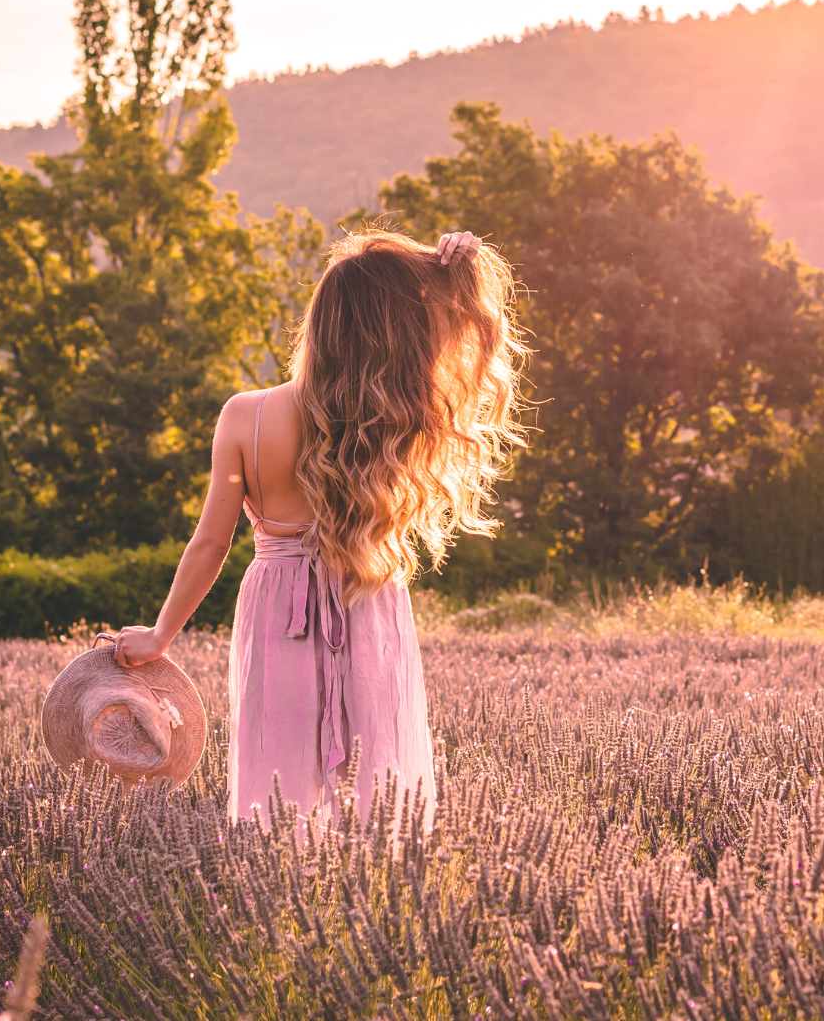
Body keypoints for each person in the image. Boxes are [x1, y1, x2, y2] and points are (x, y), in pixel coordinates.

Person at [106, 228, 525, 830]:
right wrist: (459, 274)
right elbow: (469, 351)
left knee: (278, 771)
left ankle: (283, 892)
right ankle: (379, 892)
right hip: (367, 594)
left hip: (279, 607)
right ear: (398, 335)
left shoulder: (245, 416)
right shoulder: (392, 420)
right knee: (382, 772)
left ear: (320, 321)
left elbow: (211, 543)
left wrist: (161, 635)